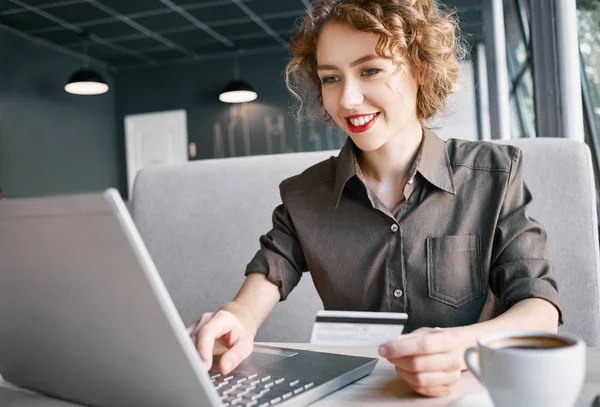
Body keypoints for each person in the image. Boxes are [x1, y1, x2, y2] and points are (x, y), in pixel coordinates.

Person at [189, 0, 561, 398]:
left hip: (467, 392)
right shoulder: (304, 196)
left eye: (370, 70)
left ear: (420, 70)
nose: (347, 100)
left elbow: (539, 309)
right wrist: (237, 318)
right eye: (331, 78)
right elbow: (266, 276)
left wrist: (464, 345)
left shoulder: (494, 174)